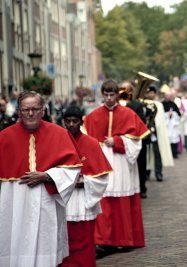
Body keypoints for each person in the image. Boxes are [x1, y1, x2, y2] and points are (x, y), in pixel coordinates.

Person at [0, 91, 82, 267]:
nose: (30, 113)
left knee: (46, 245)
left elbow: (73, 169)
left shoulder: (60, 134)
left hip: (46, 201)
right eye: (26, 109)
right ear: (19, 111)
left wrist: (47, 175)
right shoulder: (4, 137)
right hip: (14, 203)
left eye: (35, 109)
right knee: (15, 242)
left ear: (43, 110)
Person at [83, 79, 150, 255]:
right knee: (104, 200)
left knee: (122, 201)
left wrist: (118, 141)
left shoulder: (128, 114)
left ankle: (125, 239)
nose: (109, 98)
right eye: (106, 95)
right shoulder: (92, 117)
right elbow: (84, 142)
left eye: (112, 95)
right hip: (102, 161)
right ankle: (104, 241)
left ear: (117, 95)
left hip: (121, 163)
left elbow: (136, 143)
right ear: (102, 95)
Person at [61, 106, 112, 267]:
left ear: (80, 122)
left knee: (84, 238)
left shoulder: (92, 144)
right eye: (67, 121)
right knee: (64, 238)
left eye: (74, 121)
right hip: (64, 199)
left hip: (83, 199)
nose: (71, 124)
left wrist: (84, 182)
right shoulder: (57, 142)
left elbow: (103, 177)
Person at [120, 80, 149, 198]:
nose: (124, 92)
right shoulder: (117, 105)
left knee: (140, 164)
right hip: (122, 140)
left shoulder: (137, 105)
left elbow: (142, 122)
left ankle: (142, 188)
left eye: (127, 90)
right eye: (122, 90)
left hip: (136, 139)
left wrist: (129, 106)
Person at [145, 85, 174, 181]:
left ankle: (158, 172)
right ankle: (146, 172)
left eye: (152, 93)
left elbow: (161, 119)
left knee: (157, 153)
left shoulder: (159, 105)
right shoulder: (144, 103)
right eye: (149, 92)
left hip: (155, 133)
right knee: (146, 153)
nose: (151, 94)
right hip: (146, 132)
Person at [162, 90, 181, 158]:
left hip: (173, 125)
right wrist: (167, 115)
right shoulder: (162, 104)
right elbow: (160, 115)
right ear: (164, 96)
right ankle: (167, 154)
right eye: (167, 96)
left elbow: (178, 114)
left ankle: (174, 153)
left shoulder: (173, 104)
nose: (169, 97)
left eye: (170, 96)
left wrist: (174, 114)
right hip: (166, 125)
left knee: (174, 139)